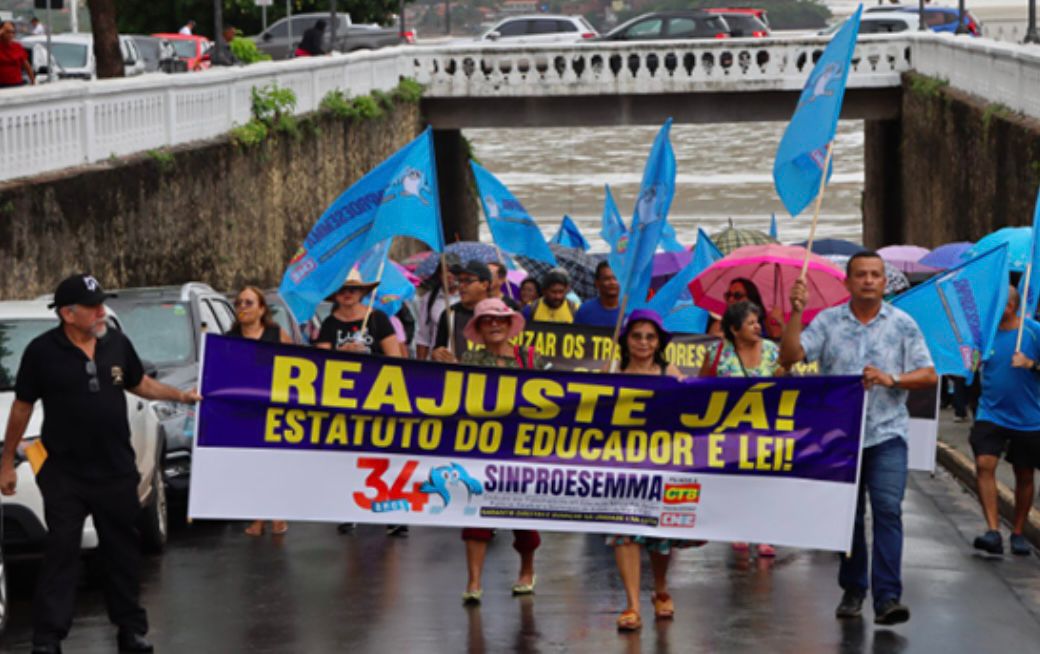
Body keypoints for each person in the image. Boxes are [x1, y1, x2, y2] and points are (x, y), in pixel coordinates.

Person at [0, 274, 201, 654]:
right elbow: (21, 408)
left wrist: (181, 395)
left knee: (121, 551)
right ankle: (48, 639)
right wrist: (6, 462)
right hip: (65, 473)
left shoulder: (116, 343)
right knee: (61, 552)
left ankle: (130, 631)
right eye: (93, 307)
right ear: (67, 314)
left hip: (115, 470)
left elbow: (139, 383)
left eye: (101, 304)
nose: (101, 312)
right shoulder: (41, 353)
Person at [780, 251, 936, 626]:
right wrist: (796, 313)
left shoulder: (903, 325)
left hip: (887, 434)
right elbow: (790, 356)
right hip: (840, 437)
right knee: (848, 517)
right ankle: (853, 588)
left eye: (876, 275)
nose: (868, 280)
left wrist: (891, 378)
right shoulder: (828, 322)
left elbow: (928, 375)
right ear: (847, 282)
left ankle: (887, 597)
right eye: (861, 275)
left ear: (885, 282)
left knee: (887, 510)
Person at [435, 298, 545, 604]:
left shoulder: (532, 359)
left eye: (500, 319)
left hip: (521, 449)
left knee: (523, 515)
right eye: (487, 320)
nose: (494, 324)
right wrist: (441, 364)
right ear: (479, 328)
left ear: (511, 325)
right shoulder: (467, 361)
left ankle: (526, 571)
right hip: (480, 448)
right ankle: (473, 581)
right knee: (476, 514)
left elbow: (561, 393)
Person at [608, 309, 690, 631]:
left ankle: (660, 588)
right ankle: (631, 605)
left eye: (650, 337)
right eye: (637, 336)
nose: (643, 342)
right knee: (624, 531)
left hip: (663, 463)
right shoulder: (612, 373)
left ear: (658, 343)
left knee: (659, 536)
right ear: (626, 340)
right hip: (622, 465)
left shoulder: (671, 372)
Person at [701, 301, 785, 557]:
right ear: (735, 330)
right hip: (730, 432)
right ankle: (739, 529)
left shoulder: (771, 351)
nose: (757, 326)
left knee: (766, 484)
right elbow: (701, 387)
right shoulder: (717, 353)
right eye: (750, 323)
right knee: (738, 484)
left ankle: (764, 534)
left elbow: (784, 386)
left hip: (766, 430)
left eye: (757, 321)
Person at [969, 285, 1040, 556]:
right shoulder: (984, 334)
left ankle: (1019, 532)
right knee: (984, 463)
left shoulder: (1032, 332)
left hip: (1028, 417)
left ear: (1010, 306)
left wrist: (1031, 364)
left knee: (1024, 473)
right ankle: (993, 531)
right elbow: (973, 364)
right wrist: (972, 361)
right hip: (991, 412)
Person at [230, 286, 291, 537]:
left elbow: (296, 366)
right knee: (251, 463)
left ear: (262, 308)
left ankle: (277, 513)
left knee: (274, 462)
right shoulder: (229, 338)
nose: (242, 307)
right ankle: (257, 516)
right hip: (246, 410)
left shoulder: (278, 334)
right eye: (239, 302)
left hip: (275, 408)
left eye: (248, 302)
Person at [314, 268, 401, 357]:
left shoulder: (378, 318)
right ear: (335, 294)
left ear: (361, 292)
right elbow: (322, 359)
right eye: (341, 290)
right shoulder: (329, 323)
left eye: (352, 289)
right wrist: (341, 352)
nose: (347, 293)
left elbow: (394, 356)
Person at [431, 260, 492, 360]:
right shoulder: (450, 314)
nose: (461, 286)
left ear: (484, 285)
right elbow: (438, 348)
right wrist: (437, 354)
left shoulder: (501, 315)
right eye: (459, 281)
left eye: (468, 281)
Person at [415, 256, 458, 360]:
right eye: (444, 271)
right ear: (439, 275)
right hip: (438, 361)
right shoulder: (429, 299)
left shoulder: (466, 298)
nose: (448, 275)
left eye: (452, 271)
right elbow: (423, 336)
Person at [707, 277, 772, 339]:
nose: (731, 299)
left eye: (737, 296)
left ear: (751, 299)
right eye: (728, 295)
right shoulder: (719, 326)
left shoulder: (765, 323)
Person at [574, 261, 620, 328]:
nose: (612, 282)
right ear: (597, 283)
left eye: (616, 278)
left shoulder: (631, 312)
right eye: (607, 279)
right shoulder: (585, 311)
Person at [0, 20, 34, 89]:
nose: (10, 35)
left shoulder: (17, 47)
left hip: (17, 84)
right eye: (7, 32)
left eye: (13, 32)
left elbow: (27, 66)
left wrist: (33, 81)